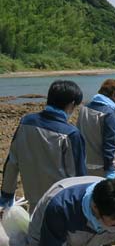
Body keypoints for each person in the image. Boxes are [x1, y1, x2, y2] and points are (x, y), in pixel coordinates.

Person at [1, 80, 86, 213]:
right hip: (60, 203)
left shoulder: (26, 122)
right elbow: (78, 177)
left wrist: (7, 194)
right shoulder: (70, 134)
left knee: (34, 231)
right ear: (71, 104)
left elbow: (12, 163)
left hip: (34, 200)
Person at [77, 79, 115, 179]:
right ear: (114, 94)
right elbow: (109, 143)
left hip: (85, 164)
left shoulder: (84, 108)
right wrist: (110, 169)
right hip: (104, 166)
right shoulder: (108, 113)